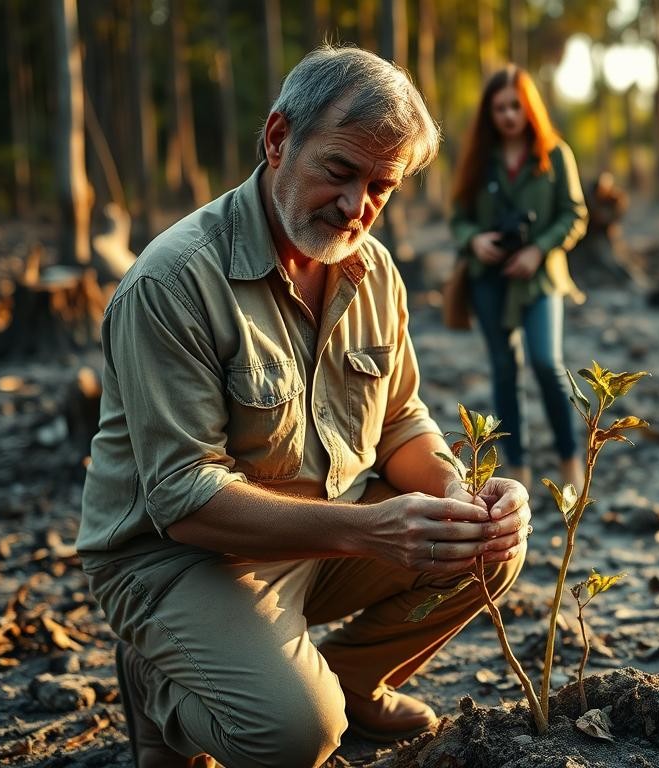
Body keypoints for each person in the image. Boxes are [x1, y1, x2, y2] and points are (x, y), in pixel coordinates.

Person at [76, 45, 531, 768]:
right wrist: (369, 531)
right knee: (296, 735)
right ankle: (161, 690)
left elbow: (399, 421)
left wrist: (459, 494)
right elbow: (184, 501)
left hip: (327, 533)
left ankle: (353, 682)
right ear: (279, 138)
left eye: (382, 186)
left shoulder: (372, 269)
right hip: (178, 562)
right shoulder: (173, 281)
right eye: (339, 172)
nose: (357, 208)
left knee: (484, 549)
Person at [449, 64, 588, 491]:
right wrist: (475, 241)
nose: (509, 115)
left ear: (530, 108)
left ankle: (570, 461)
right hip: (488, 281)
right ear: (489, 113)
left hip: (540, 279)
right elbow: (457, 219)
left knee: (547, 363)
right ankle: (519, 470)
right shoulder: (478, 161)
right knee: (504, 370)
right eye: (499, 108)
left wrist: (537, 248)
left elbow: (575, 214)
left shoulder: (556, 154)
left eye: (516, 106)